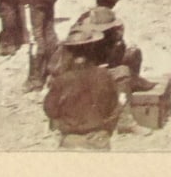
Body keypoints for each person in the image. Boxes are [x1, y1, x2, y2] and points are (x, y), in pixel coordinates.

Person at [43, 21, 122, 150]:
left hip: (70, 141)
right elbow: (113, 107)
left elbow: (50, 109)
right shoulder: (105, 75)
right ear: (92, 48)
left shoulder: (61, 80)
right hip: (99, 139)